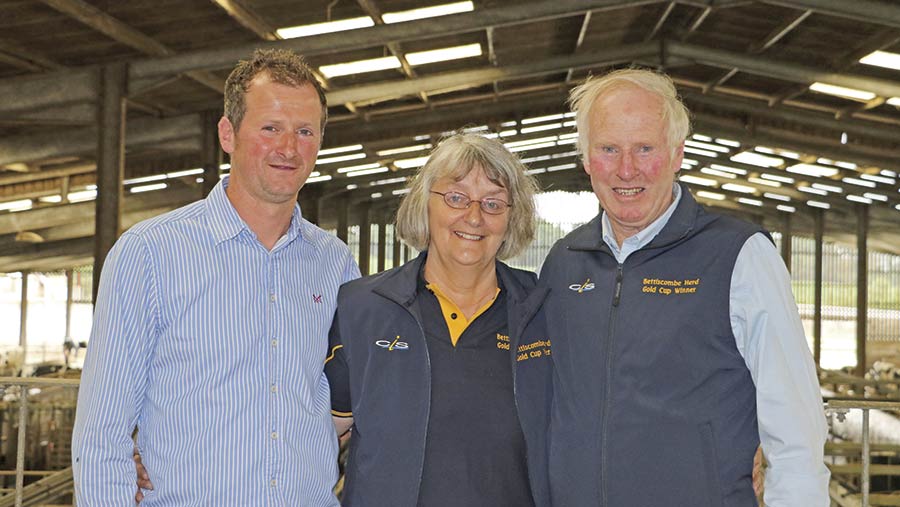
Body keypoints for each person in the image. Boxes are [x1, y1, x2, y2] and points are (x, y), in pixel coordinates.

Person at [71, 49, 359, 506]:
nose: (289, 148)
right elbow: (101, 435)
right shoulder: (151, 253)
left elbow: (347, 399)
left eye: (305, 131)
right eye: (270, 128)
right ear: (228, 133)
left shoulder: (336, 263)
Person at [539, 68, 830, 506]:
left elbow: (794, 424)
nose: (626, 169)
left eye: (645, 148)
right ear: (586, 159)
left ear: (677, 154)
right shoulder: (564, 263)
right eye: (609, 149)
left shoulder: (739, 254)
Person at [324, 133, 552, 506]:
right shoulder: (362, 308)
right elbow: (320, 436)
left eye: (493, 203)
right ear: (424, 205)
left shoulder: (542, 311)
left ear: (513, 218)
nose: (474, 217)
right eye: (456, 198)